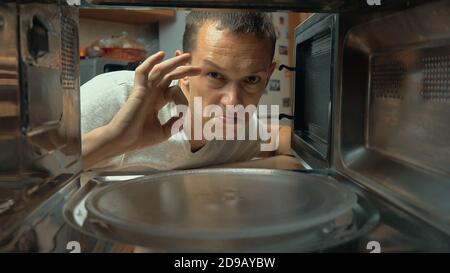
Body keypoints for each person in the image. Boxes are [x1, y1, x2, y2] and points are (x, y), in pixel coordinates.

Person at [81, 10, 303, 171]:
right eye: (215, 75)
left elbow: (281, 138)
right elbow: (47, 169)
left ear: (268, 76)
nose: (232, 101)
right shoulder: (115, 95)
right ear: (183, 69)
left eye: (251, 79)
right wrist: (112, 140)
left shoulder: (243, 127)